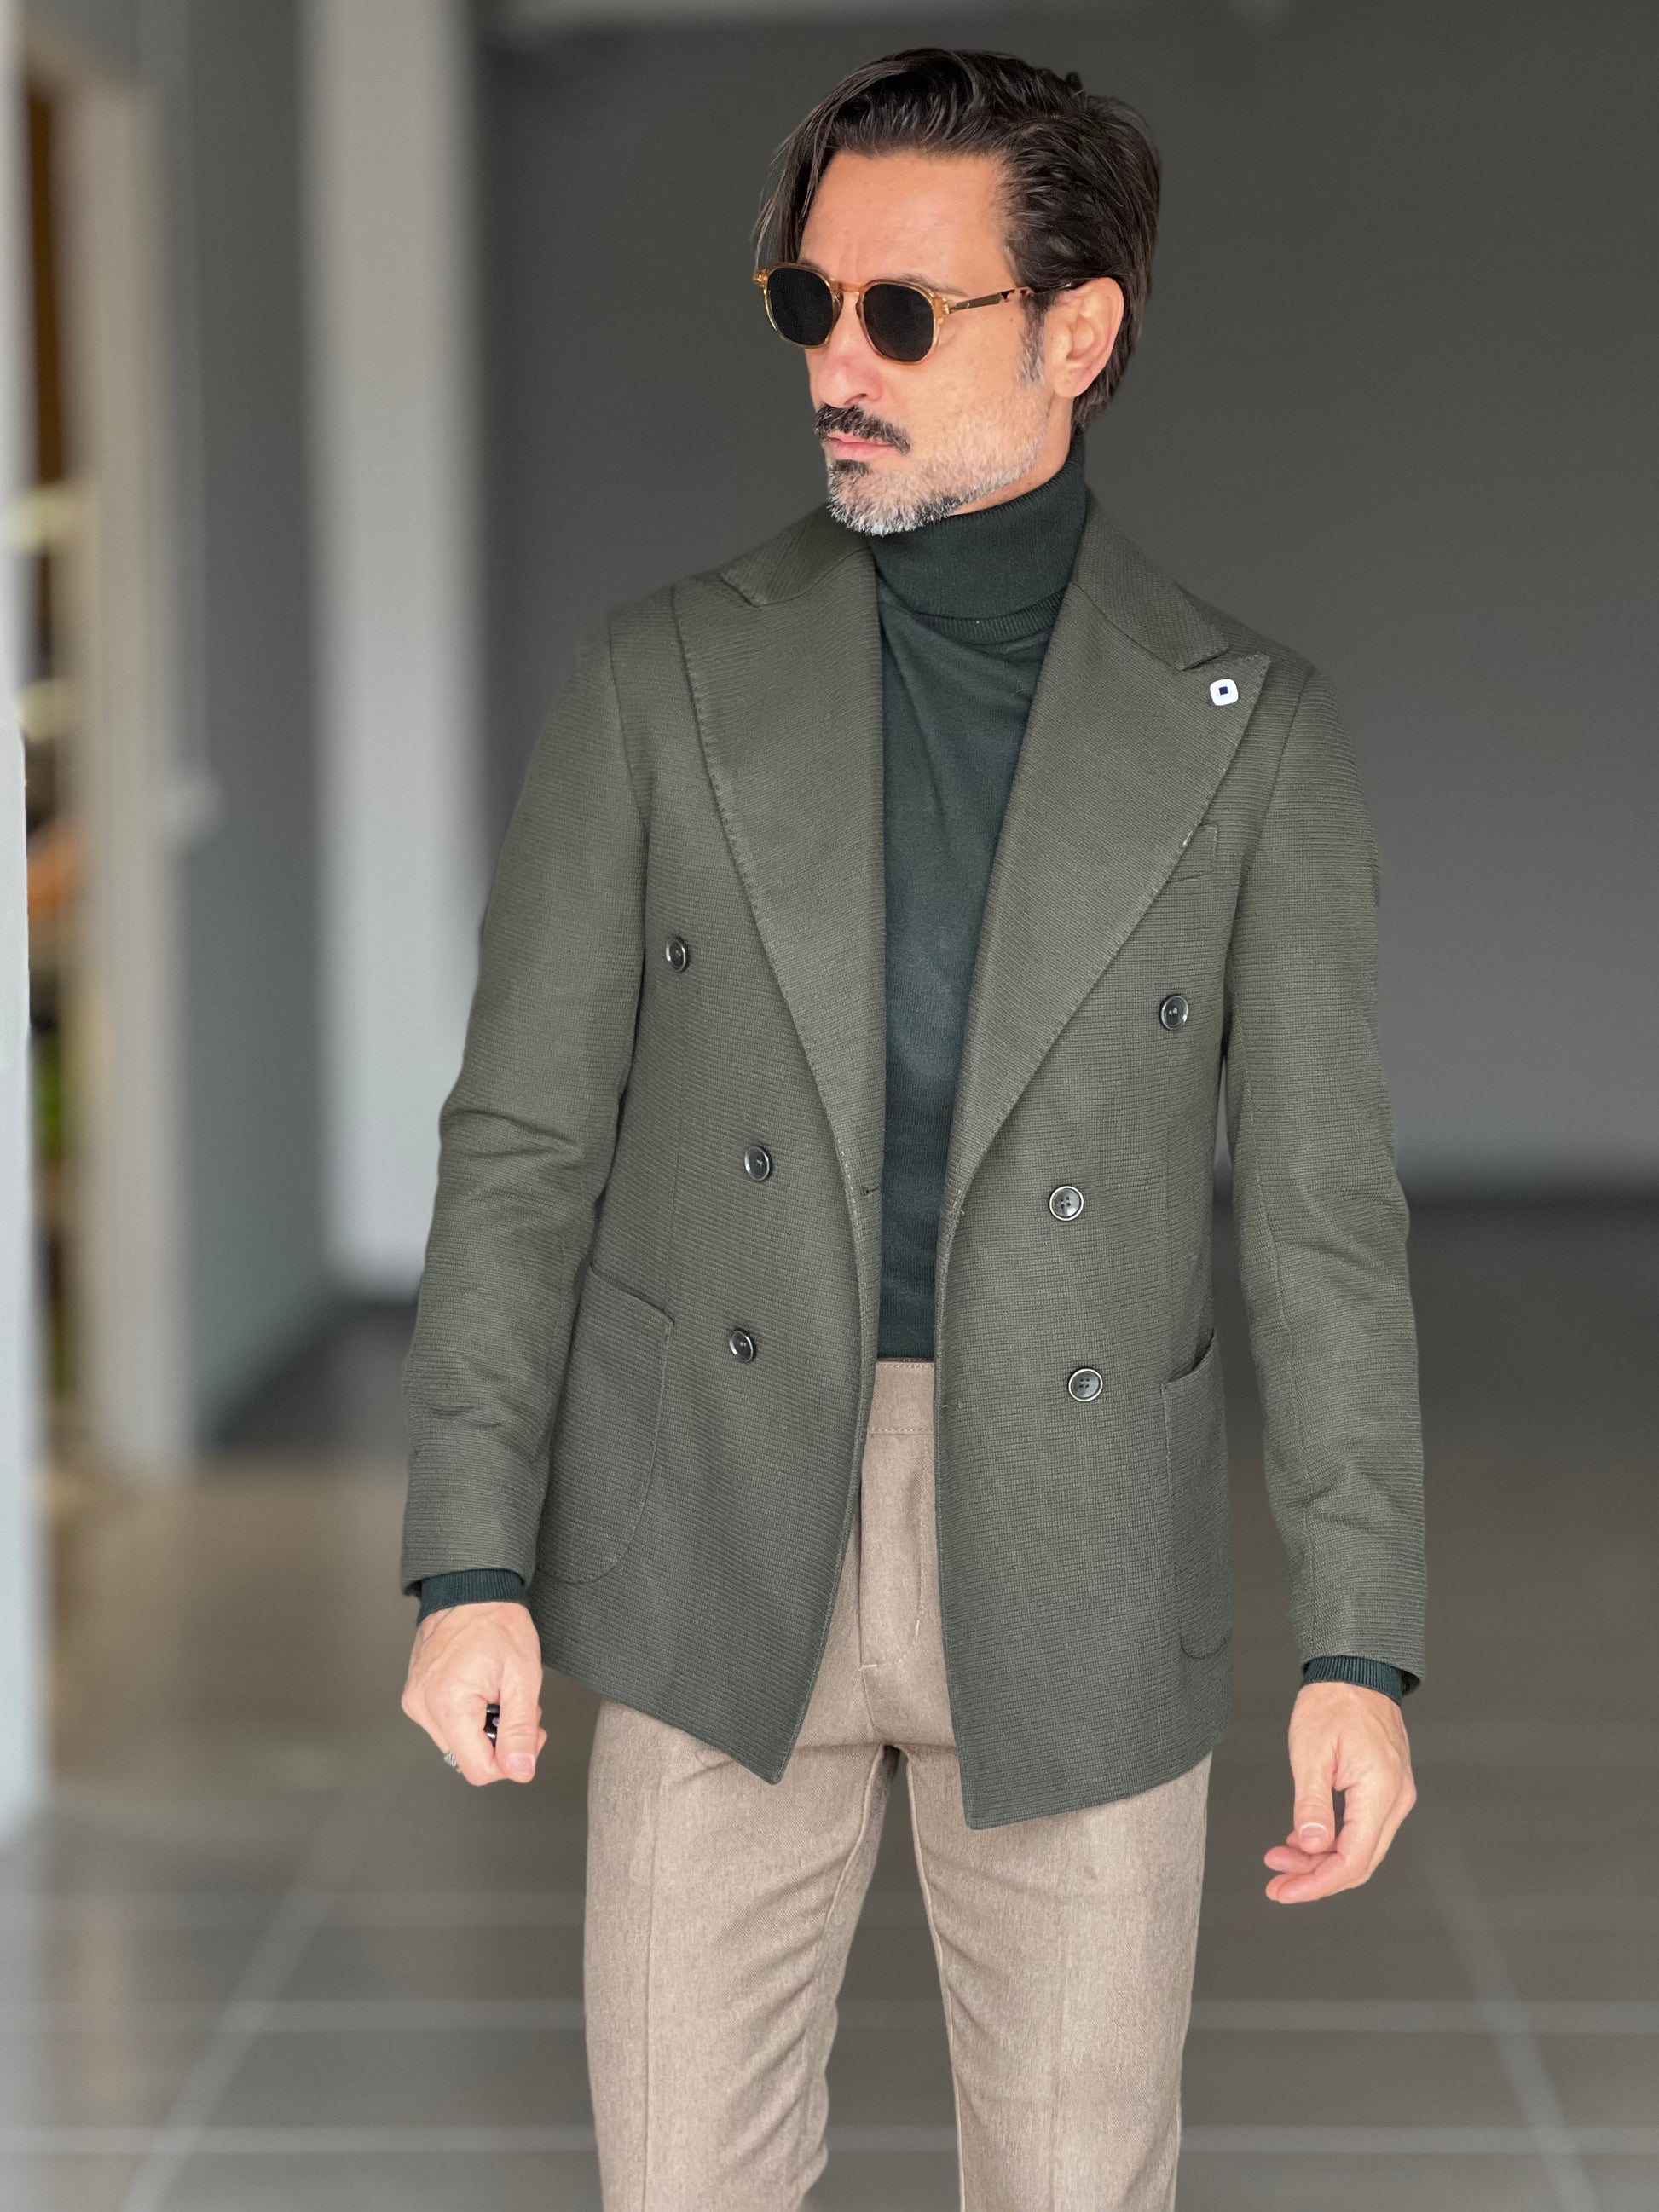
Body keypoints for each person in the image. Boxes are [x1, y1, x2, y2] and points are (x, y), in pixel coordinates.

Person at [397, 46, 1425, 2210]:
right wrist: (470, 1561)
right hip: (710, 1523)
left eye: (897, 312)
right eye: (807, 302)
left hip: (1076, 1543)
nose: (833, 366)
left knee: (1075, 2180)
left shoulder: (1251, 734)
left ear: (1079, 331)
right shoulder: (660, 680)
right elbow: (520, 1144)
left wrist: (1358, 1644)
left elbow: (1321, 1223)